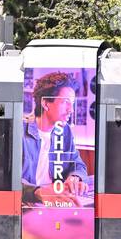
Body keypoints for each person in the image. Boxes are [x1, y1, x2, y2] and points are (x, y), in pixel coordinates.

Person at [21, 72, 89, 206]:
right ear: (46, 103)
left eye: (73, 103)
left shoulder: (65, 131)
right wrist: (37, 192)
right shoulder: (19, 131)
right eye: (65, 102)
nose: (71, 110)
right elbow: (2, 179)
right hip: (25, 206)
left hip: (55, 204)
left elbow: (78, 164)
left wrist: (75, 177)